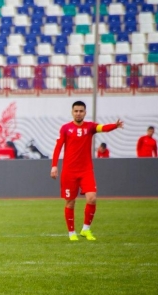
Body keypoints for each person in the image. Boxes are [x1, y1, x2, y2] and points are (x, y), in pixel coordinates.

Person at [50, 101, 124, 241]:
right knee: (70, 202)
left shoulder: (90, 127)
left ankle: (86, 229)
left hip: (86, 171)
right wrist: (54, 166)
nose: (78, 113)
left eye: (81, 111)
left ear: (85, 112)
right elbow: (58, 147)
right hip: (69, 171)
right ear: (72, 112)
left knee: (92, 198)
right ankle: (72, 233)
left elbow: (103, 128)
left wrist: (115, 125)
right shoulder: (65, 128)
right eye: (76, 111)